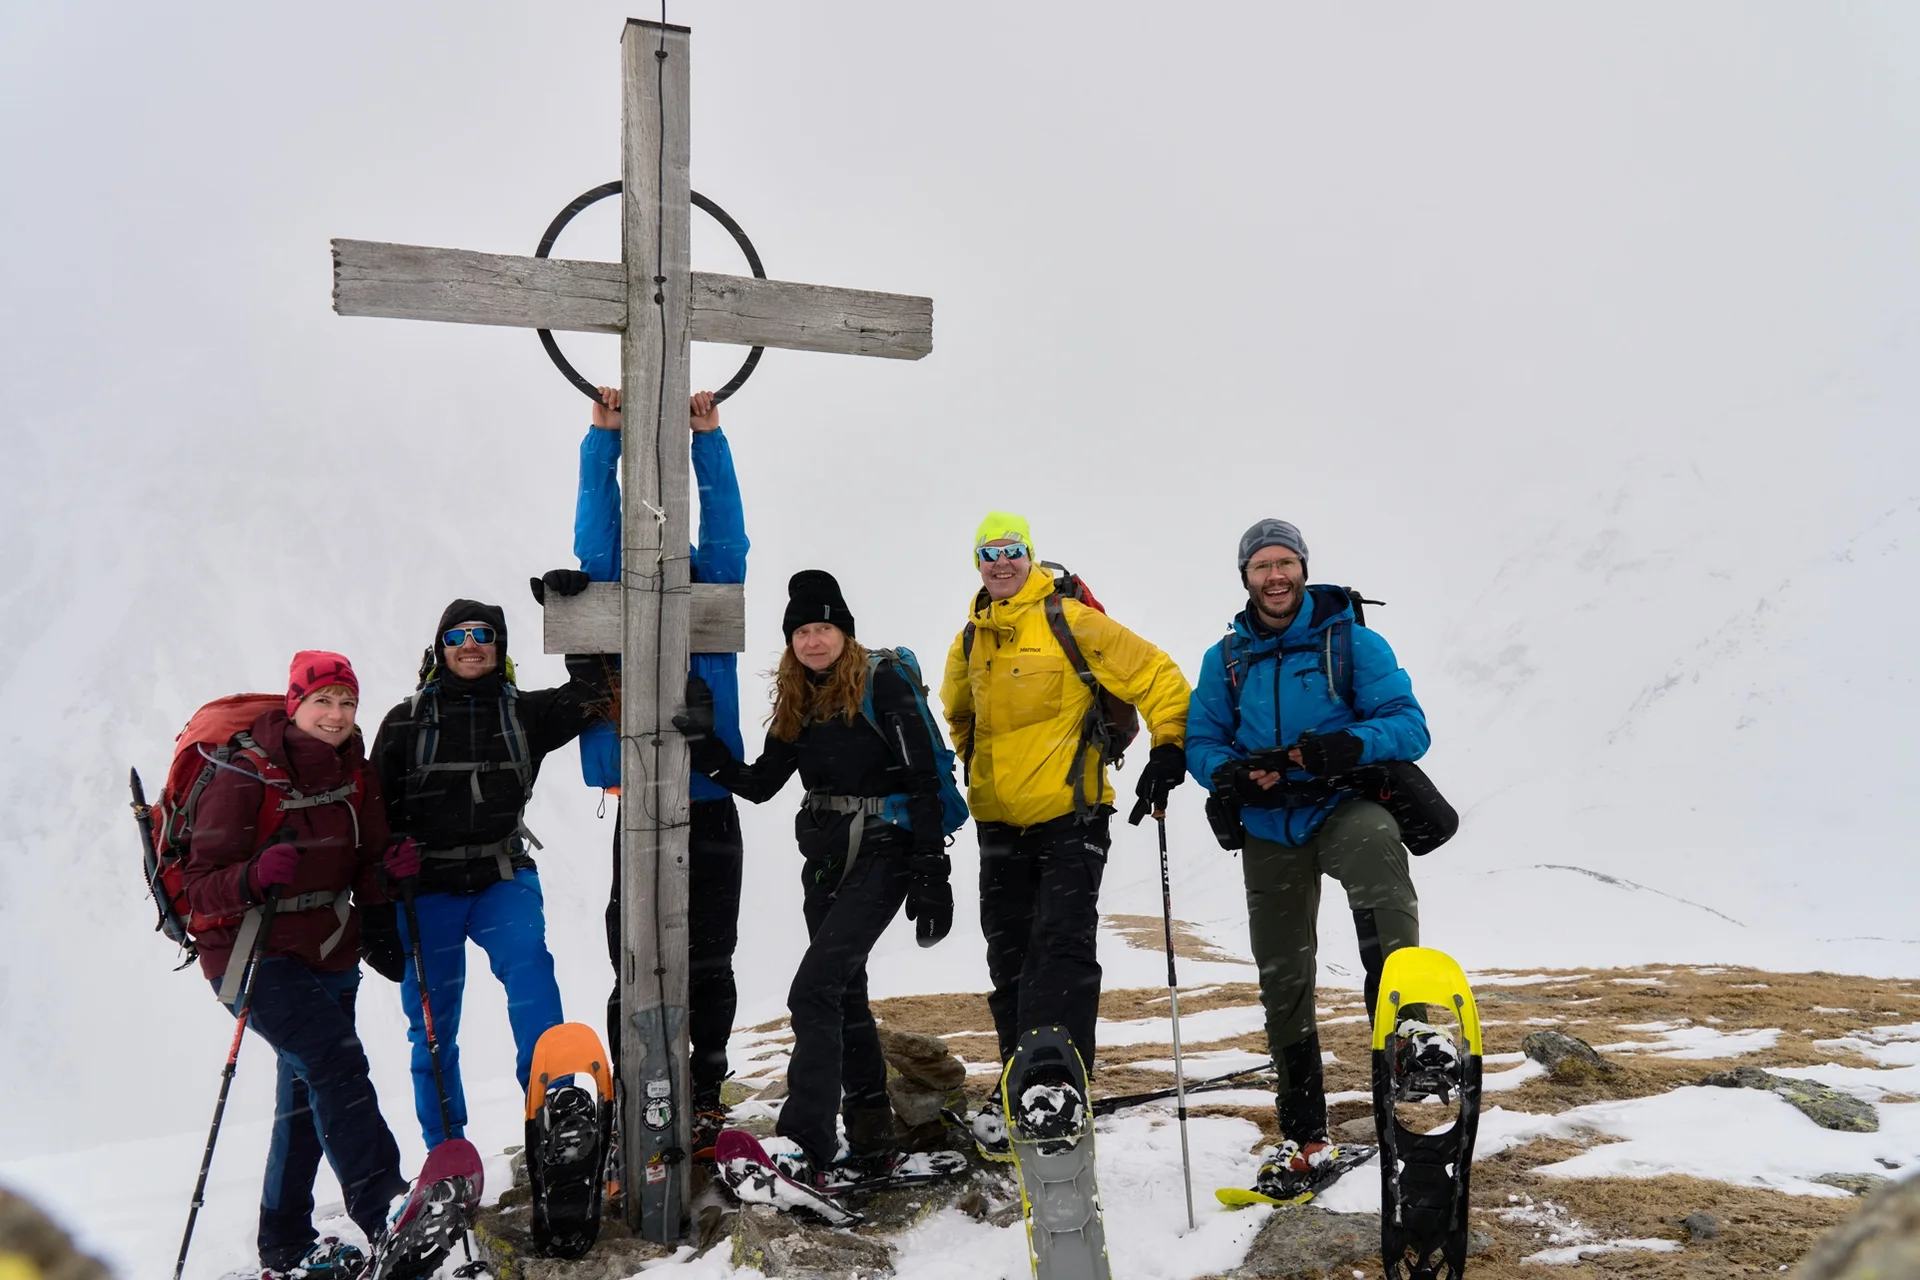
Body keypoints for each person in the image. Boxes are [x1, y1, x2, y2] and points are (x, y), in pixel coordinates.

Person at [672, 570, 953, 1186]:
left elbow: (923, 782)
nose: (814, 640)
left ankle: (807, 1142)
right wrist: (704, 740)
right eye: (802, 630)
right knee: (843, 992)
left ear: (844, 631)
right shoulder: (797, 698)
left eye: (824, 627)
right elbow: (761, 784)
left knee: (813, 991)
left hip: (886, 851)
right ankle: (873, 1134)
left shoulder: (882, 682)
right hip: (826, 860)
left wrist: (934, 871)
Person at [1185, 518, 1434, 1199]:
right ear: (1245, 577)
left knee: (1378, 855)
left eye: (1284, 562)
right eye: (1262, 565)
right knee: (1281, 976)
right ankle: (1303, 1136)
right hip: (1269, 825)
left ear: (1302, 568)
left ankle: (1409, 1033)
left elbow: (1409, 725)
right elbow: (1200, 739)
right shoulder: (1226, 659)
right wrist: (1231, 776)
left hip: (1340, 804)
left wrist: (1340, 748)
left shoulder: (1352, 642)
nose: (1275, 575)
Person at [939, 512, 1193, 1156]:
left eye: (1013, 551)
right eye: (989, 553)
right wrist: (978, 771)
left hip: (1071, 816)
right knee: (1009, 960)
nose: (1002, 562)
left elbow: (1158, 676)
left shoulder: (1070, 621)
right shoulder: (969, 639)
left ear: (1031, 556)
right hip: (998, 821)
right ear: (978, 563)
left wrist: (1170, 747)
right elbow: (958, 714)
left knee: (1061, 946)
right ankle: (1017, 1085)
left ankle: (1058, 1086)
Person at [540, 385, 749, 1157]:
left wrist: (709, 440)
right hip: (646, 800)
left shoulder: (711, 585)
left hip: (710, 799)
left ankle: (704, 1092)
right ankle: (639, 1090)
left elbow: (726, 526)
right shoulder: (615, 589)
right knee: (631, 953)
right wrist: (605, 437)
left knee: (711, 955)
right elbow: (596, 528)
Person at [184, 651, 417, 1279]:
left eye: (347, 702)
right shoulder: (245, 775)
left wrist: (386, 873)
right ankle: (385, 1207)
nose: (337, 715)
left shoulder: (355, 773)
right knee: (336, 1064)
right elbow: (196, 888)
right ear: (295, 704)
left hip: (328, 948)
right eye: (324, 701)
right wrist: (252, 876)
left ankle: (284, 1245)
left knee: (309, 1094)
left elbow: (363, 874)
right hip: (249, 954)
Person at [369, 602, 604, 1148]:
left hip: (501, 877)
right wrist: (382, 882)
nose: (470, 644)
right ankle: (447, 1148)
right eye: (457, 635)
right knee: (432, 1027)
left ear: (499, 647)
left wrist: (572, 610)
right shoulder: (405, 723)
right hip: (424, 889)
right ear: (440, 648)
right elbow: (371, 816)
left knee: (532, 978)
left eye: (483, 635)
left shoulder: (525, 713)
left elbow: (597, 689)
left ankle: (557, 1115)